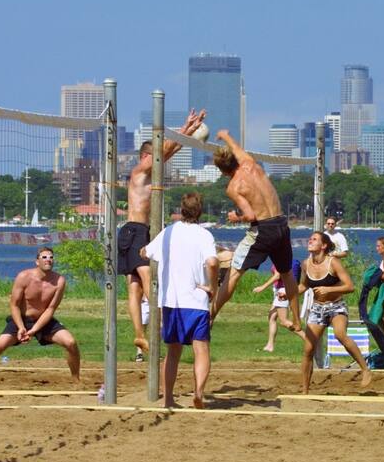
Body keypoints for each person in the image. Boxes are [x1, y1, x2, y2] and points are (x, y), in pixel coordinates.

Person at [118, 109, 206, 358]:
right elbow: (163, 151)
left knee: (134, 287)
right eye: (154, 155)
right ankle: (159, 321)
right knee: (146, 278)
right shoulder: (140, 170)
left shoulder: (149, 170)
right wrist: (185, 129)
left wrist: (188, 132)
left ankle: (139, 334)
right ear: (146, 155)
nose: (159, 159)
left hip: (134, 231)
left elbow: (169, 151)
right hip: (135, 231)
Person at [211, 129, 300, 330]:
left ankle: (210, 316)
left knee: (234, 271)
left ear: (221, 170)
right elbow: (237, 148)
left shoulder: (233, 187)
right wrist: (225, 135)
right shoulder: (251, 164)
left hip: (263, 230)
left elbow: (250, 216)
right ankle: (296, 319)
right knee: (287, 274)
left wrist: (236, 218)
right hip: (281, 224)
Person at [141, 193, 218, 408]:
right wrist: (212, 286)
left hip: (171, 301)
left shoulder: (169, 232)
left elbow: (145, 252)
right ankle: (199, 392)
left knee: (172, 351)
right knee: (201, 348)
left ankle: (168, 399)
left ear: (181, 210)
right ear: (200, 211)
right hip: (195, 300)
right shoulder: (204, 235)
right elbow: (212, 263)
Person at [0, 247, 80, 384]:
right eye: (44, 257)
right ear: (37, 261)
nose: (48, 259)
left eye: (51, 257)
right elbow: (14, 305)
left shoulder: (59, 281)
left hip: (43, 321)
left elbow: (50, 309)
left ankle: (76, 381)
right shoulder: (24, 277)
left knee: (71, 343)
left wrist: (34, 330)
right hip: (21, 320)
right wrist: (21, 327)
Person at [298, 232, 372, 393]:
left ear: (324, 246)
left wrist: (328, 289)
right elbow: (304, 285)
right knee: (308, 349)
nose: (310, 240)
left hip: (336, 305)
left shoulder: (334, 262)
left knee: (340, 334)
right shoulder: (305, 264)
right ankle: (305, 390)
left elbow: (350, 286)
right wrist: (288, 293)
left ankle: (365, 370)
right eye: (310, 238)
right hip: (317, 308)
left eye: (314, 239)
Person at [253, 262, 305, 352]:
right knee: (271, 317)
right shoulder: (285, 258)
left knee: (284, 321)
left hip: (282, 291)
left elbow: (277, 276)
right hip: (282, 290)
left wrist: (262, 287)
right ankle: (270, 346)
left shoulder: (279, 258)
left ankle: (309, 340)